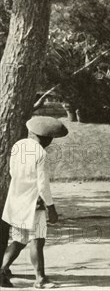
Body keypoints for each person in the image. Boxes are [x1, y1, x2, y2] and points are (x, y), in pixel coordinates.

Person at [0, 116, 68, 289]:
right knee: (37, 240)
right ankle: (40, 279)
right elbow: (42, 184)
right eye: (50, 138)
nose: (50, 142)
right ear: (46, 137)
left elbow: (13, 172)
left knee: (20, 239)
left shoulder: (18, 146)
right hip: (33, 203)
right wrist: (51, 207)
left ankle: (2, 271)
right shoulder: (40, 153)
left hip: (16, 198)